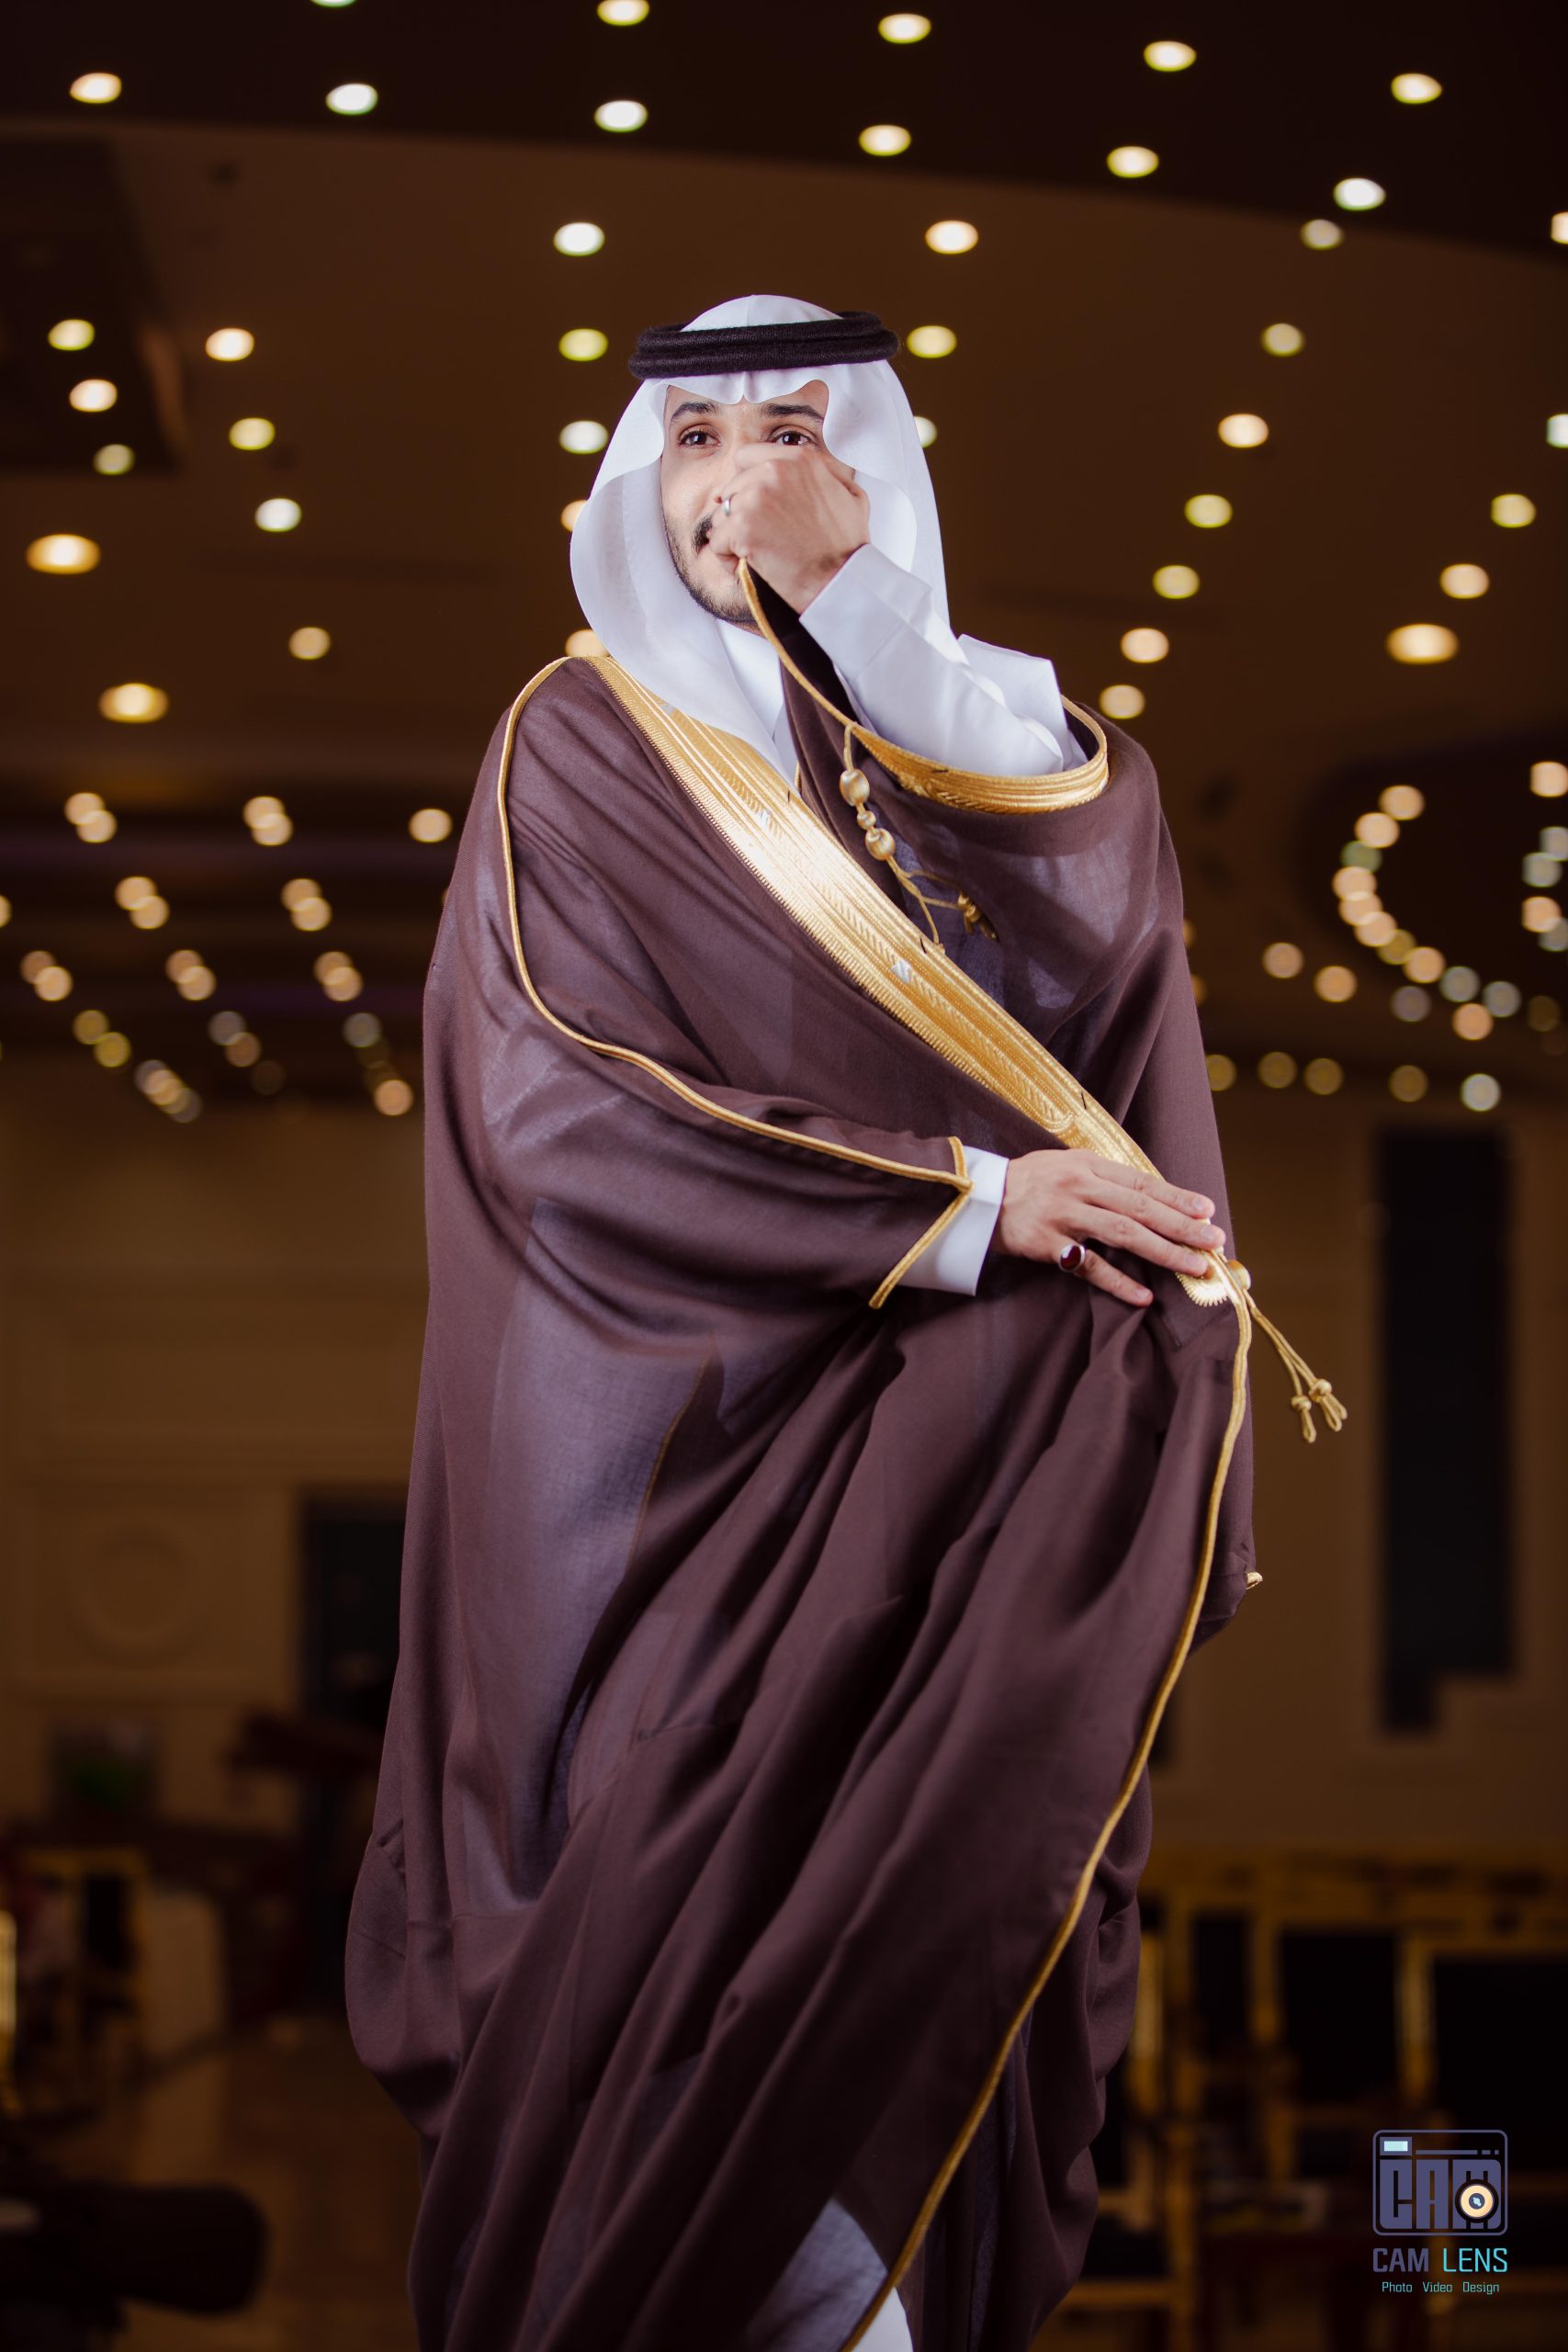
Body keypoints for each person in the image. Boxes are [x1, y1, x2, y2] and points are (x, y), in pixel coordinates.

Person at [344, 295, 1341, 2352]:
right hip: (677, 1516)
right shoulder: (579, 746)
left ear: (872, 468)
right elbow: (558, 1112)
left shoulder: (995, 733)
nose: (740, 478)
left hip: (959, 1511)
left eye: (795, 432)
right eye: (697, 437)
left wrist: (855, 611)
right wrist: (959, 1203)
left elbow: (1084, 929)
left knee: (913, 2020)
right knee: (677, 2027)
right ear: (636, 478)